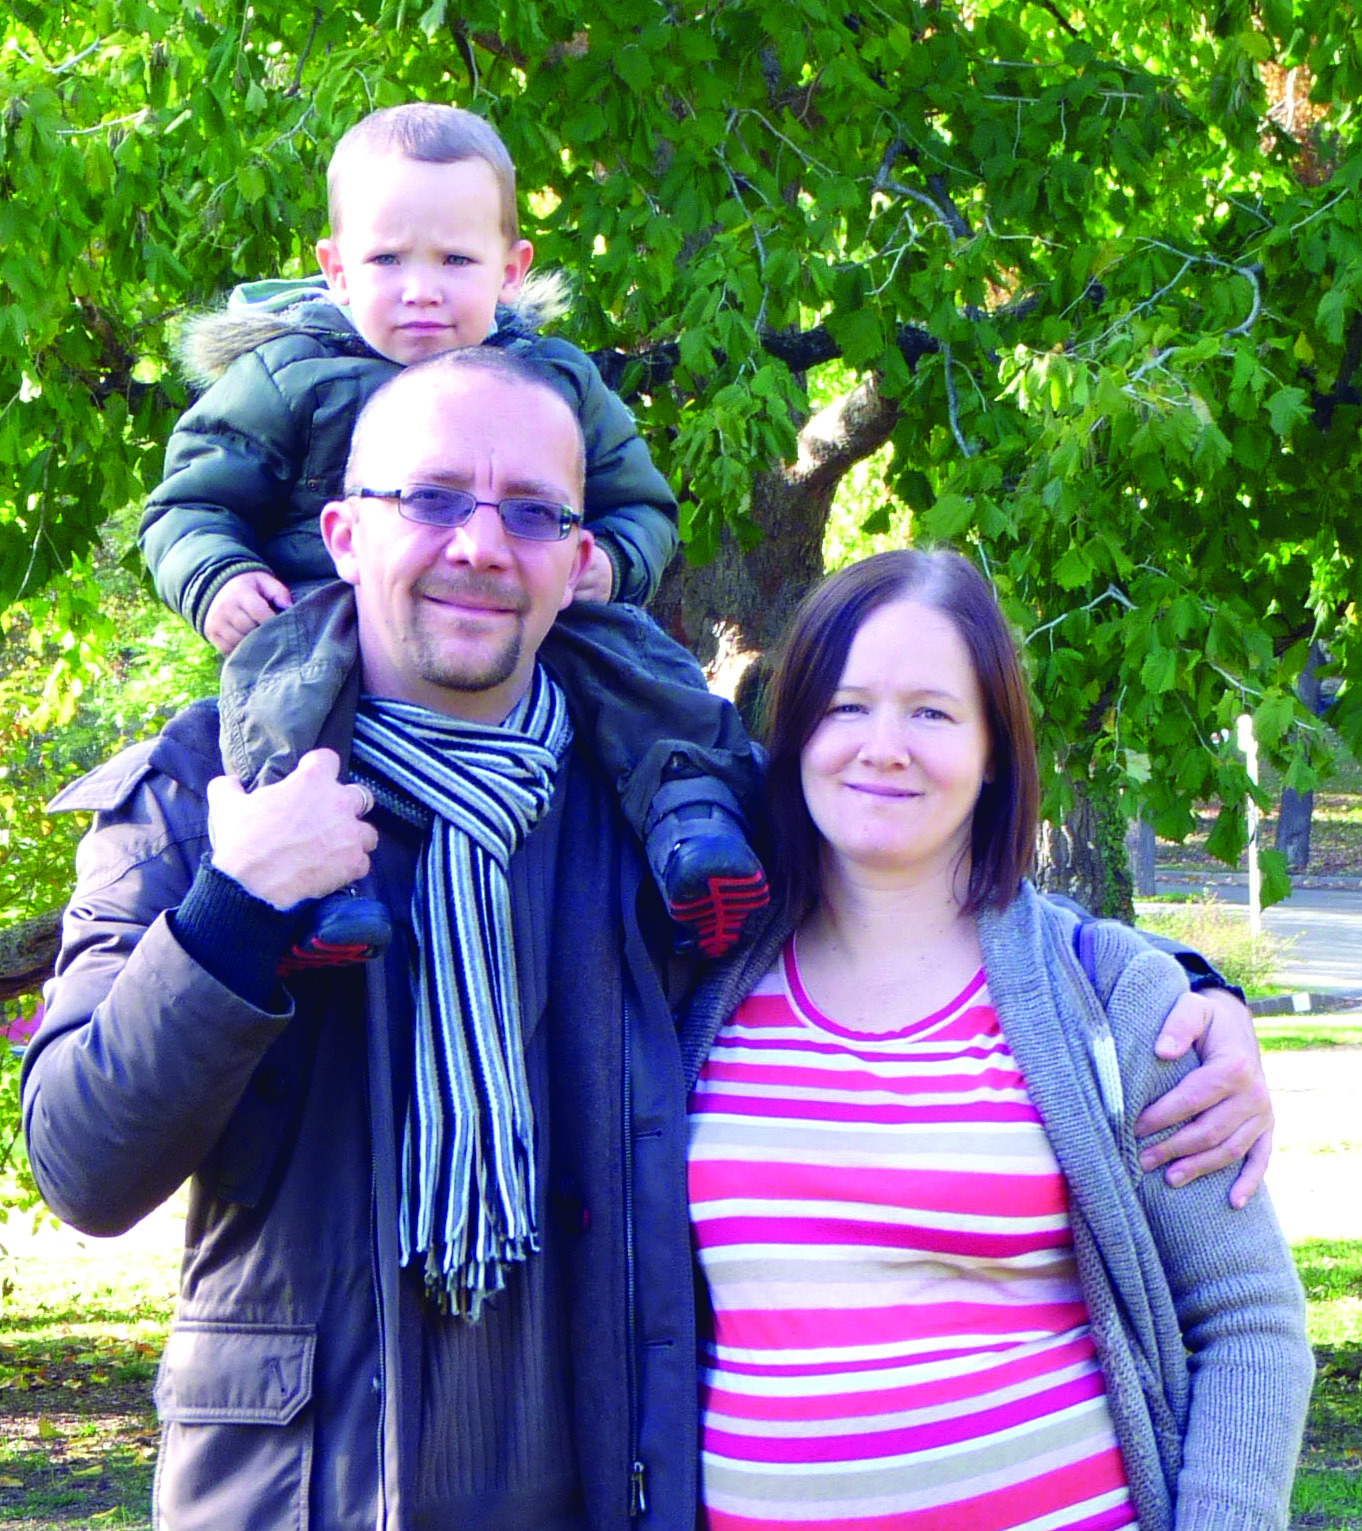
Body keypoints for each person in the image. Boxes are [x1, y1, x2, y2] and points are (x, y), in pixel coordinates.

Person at [26, 353, 1276, 1530]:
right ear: (346, 533)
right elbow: (84, 1166)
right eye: (432, 498)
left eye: (529, 512)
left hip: (599, 1482)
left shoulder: (661, 808)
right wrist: (236, 910)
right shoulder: (208, 793)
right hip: (317, 1492)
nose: (478, 544)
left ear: (580, 559)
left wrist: (1192, 995)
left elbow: (899, 870)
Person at [681, 549, 1312, 1531]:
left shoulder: (1113, 1002)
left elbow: (1248, 1319)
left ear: (994, 751)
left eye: (932, 711)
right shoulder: (703, 991)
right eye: (847, 706)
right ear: (795, 731)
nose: (883, 745)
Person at [138, 101, 768, 961]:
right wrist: (216, 577)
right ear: (334, 269)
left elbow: (643, 503)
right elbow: (189, 502)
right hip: (327, 604)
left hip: (528, 605)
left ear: (512, 269)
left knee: (638, 660)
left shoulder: (554, 381)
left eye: (456, 259)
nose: (421, 287)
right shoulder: (289, 375)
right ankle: (320, 883)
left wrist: (614, 562)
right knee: (285, 690)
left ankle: (691, 820)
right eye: (388, 259)